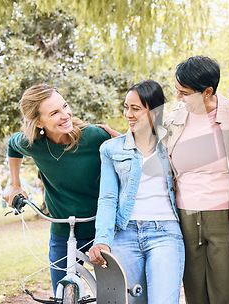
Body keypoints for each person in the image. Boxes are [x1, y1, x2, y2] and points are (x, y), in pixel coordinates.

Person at [2, 84, 112, 294]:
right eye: (54, 113)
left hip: (102, 231)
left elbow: (129, 155)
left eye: (65, 106)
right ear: (37, 122)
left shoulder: (94, 136)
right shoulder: (32, 143)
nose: (65, 115)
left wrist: (121, 138)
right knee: (60, 293)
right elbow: (12, 146)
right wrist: (15, 184)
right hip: (63, 232)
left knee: (112, 294)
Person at [164, 55, 229, 303]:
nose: (178, 98)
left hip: (226, 216)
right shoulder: (173, 120)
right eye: (177, 91)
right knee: (195, 292)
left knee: (228, 292)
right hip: (185, 215)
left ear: (207, 92)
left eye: (184, 93)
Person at [89, 80, 184, 304]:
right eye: (126, 107)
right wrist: (102, 239)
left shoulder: (172, 143)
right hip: (125, 234)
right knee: (131, 301)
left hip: (166, 234)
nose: (128, 114)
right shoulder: (111, 149)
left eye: (136, 108)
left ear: (155, 111)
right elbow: (108, 198)